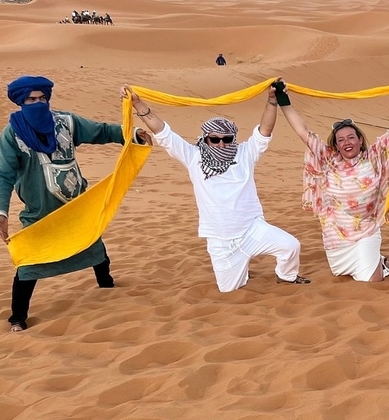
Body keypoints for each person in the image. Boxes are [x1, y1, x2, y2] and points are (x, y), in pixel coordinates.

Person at [0, 75, 152, 332]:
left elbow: (101, 131)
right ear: (21, 102)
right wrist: (0, 211)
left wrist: (131, 134)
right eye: (31, 100)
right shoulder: (12, 134)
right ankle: (18, 317)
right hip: (40, 212)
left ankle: (107, 285)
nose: (38, 103)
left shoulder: (66, 122)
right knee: (29, 261)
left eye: (42, 98)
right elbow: (3, 175)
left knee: (93, 245)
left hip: (76, 204)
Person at [124, 79, 309, 292]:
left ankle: (286, 276)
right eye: (215, 139)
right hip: (221, 240)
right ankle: (240, 268)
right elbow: (163, 133)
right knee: (229, 290)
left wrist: (272, 101)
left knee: (290, 246)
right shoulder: (193, 156)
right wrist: (138, 103)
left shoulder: (245, 153)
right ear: (206, 139)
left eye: (227, 139)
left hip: (252, 230)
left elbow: (264, 131)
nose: (221, 144)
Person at [279, 73, 389, 282]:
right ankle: (378, 261)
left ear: (360, 139)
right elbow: (303, 131)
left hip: (367, 231)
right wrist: (283, 100)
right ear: (335, 145)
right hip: (336, 238)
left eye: (351, 137)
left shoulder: (373, 155)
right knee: (342, 273)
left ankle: (375, 262)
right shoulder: (328, 159)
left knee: (371, 281)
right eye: (341, 140)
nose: (347, 143)